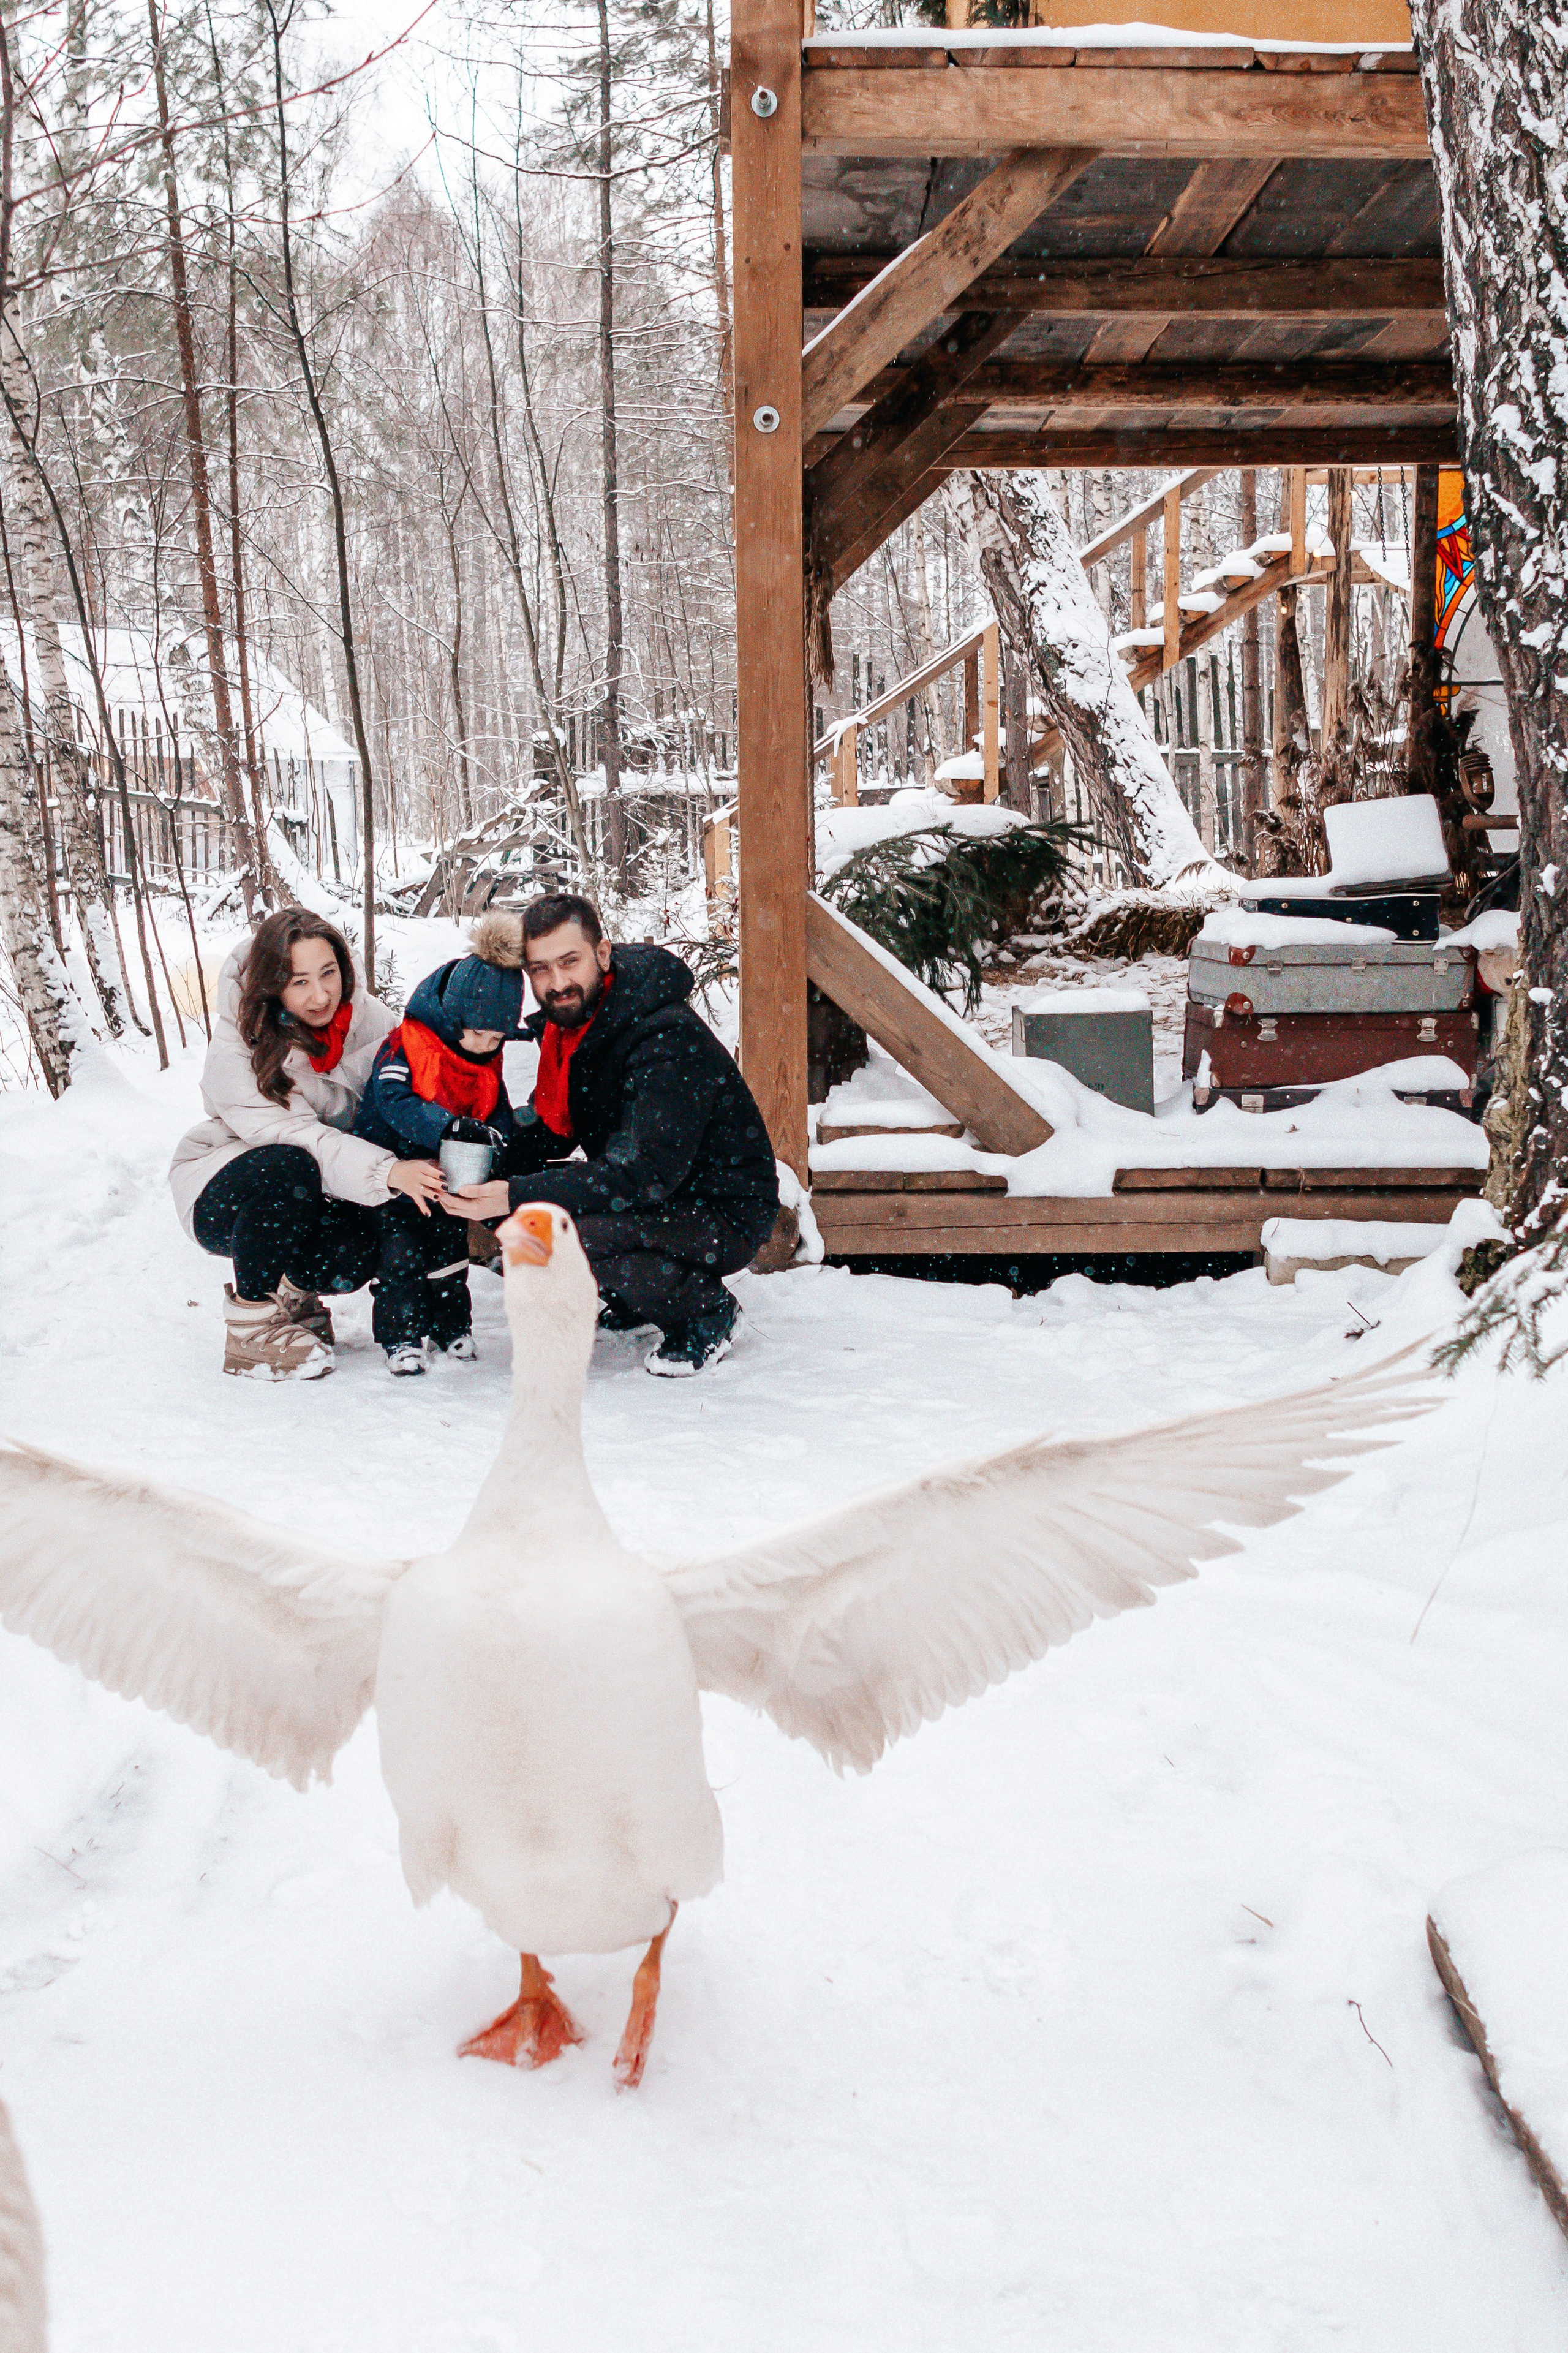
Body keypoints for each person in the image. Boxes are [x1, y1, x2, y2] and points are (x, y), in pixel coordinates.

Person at [443, 893, 780, 1376]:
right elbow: (553, 1130)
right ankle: (638, 1294)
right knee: (514, 1192)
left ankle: (706, 1312)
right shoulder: (574, 1029)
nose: (557, 982)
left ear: (602, 954)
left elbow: (644, 1172)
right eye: (540, 969)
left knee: (562, 1230)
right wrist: (482, 1155)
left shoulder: (663, 1036)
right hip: (661, 1197)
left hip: (723, 1209)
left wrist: (514, 1193)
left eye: (570, 961)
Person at [169, 908, 446, 1379]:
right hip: (225, 1186)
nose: (320, 995)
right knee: (290, 1164)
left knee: (355, 1251)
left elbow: (411, 1093)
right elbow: (301, 1138)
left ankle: (293, 1293)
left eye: (328, 973)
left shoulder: (369, 1019)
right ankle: (252, 1328)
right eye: (299, 982)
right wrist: (387, 1171)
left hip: (318, 1185)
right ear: (272, 984)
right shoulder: (237, 1047)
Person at [352, 913, 530, 1376]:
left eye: (497, 1037)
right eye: (478, 1033)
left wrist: (498, 1144)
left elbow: (496, 1110)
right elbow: (394, 1100)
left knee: (450, 1252)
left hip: (449, 1178)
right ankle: (402, 1335)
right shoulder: (405, 1048)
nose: (486, 1045)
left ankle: (451, 1326)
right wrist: (449, 1127)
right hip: (395, 1176)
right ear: (454, 1019)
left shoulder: (484, 1061)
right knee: (401, 1255)